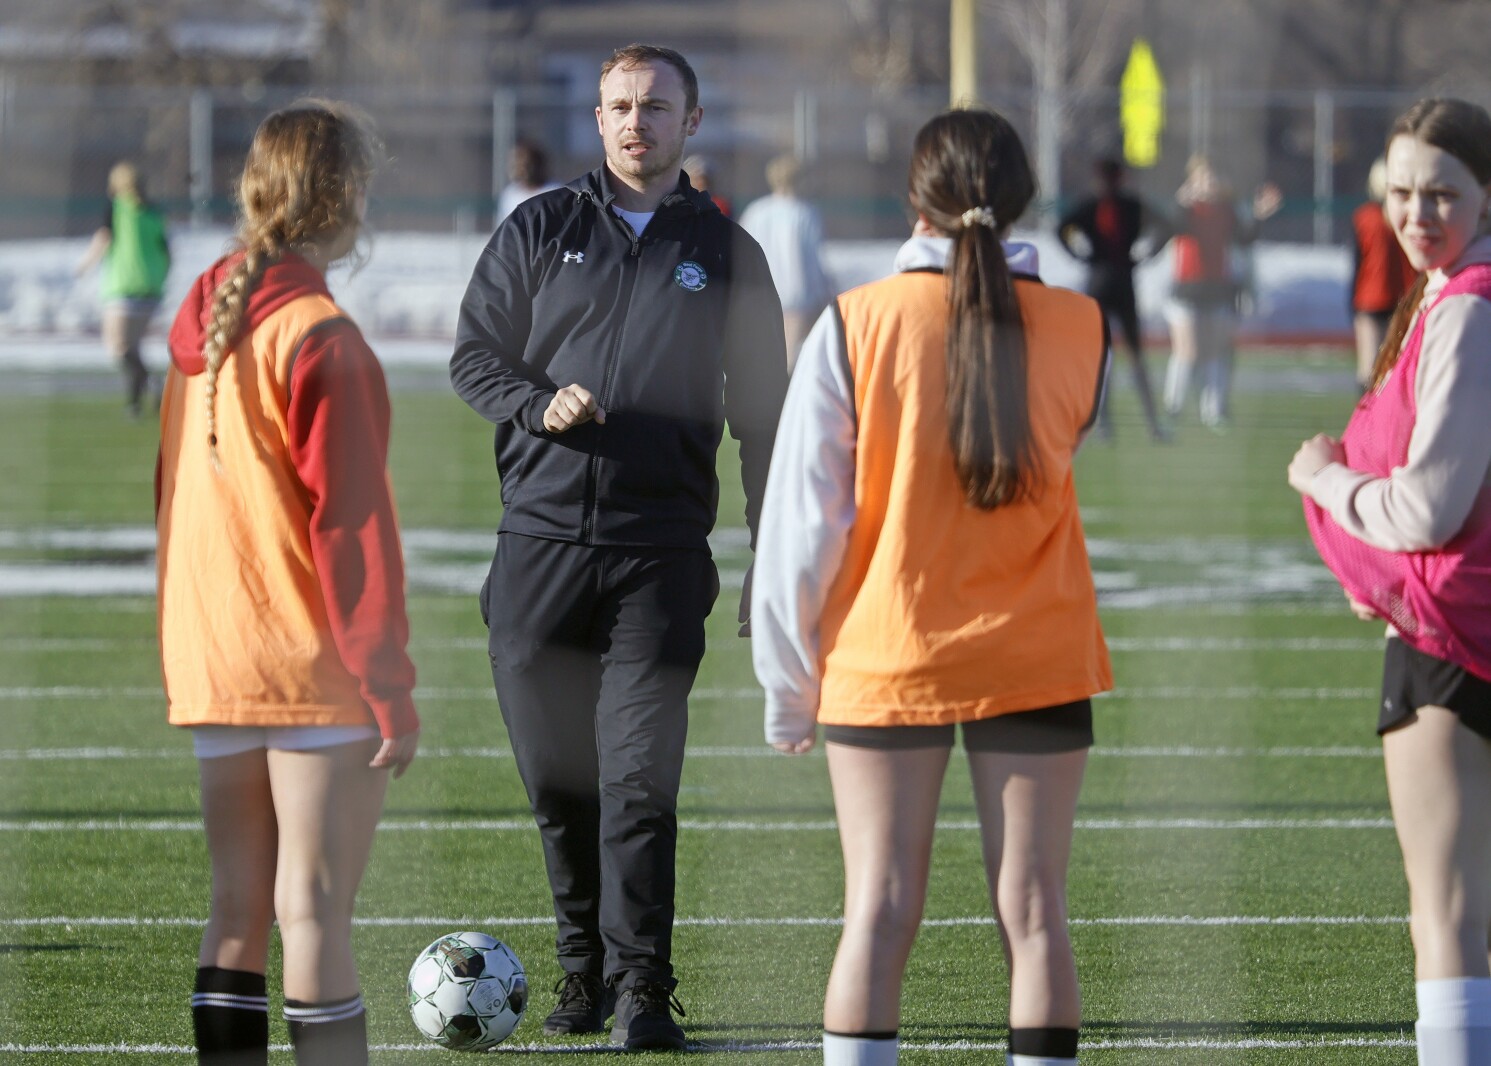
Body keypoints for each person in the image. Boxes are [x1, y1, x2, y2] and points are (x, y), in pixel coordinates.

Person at [753, 109, 1112, 1066]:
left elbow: (801, 527)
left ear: (915, 199)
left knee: (875, 907)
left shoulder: (855, 320)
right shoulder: (1083, 323)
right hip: (1036, 649)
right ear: (1027, 195)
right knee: (1035, 912)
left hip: (887, 651)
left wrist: (786, 686)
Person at [450, 43, 787, 1050]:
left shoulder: (729, 254)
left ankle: (644, 987)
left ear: (692, 122)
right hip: (538, 552)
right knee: (561, 786)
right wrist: (534, 402)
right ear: (597, 121)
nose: (636, 121)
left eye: (656, 105)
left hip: (659, 556)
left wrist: (770, 548)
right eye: (619, 105)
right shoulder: (540, 227)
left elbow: (765, 417)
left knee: (638, 779)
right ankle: (580, 973)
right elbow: (473, 357)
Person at [155, 100, 420, 1066]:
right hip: (312, 667)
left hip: (215, 651)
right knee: (310, 909)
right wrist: (389, 686)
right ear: (346, 199)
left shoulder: (203, 319)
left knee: (236, 908)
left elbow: (168, 500)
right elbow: (351, 533)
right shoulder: (321, 335)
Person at [1290, 97, 1491, 1066]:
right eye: (1404, 192)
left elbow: (1429, 510)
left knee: (1446, 918)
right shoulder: (1452, 292)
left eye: (1443, 193)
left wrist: (1322, 475)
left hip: (1452, 643)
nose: (1418, 213)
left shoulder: (1467, 307)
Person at [1057, 155, 1173, 442]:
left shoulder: (1112, 205)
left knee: (1107, 355)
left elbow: (1061, 229)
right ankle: (1142, 422)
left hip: (1105, 280)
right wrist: (1145, 254)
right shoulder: (1110, 205)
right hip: (1115, 280)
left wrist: (1081, 254)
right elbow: (1166, 226)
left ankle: (1112, 422)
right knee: (1122, 354)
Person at [1161, 155, 1281, 430]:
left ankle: (1213, 411)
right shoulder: (1187, 209)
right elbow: (1172, 226)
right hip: (1186, 290)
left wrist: (1258, 215)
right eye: (1202, 177)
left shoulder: (1227, 210)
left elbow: (1244, 238)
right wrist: (1182, 201)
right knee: (1187, 350)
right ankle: (1173, 407)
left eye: (1212, 177)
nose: (1209, 183)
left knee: (1217, 351)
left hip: (1217, 289)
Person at [75, 160, 171, 417]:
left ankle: (153, 383)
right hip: (151, 289)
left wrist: (85, 265)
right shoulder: (153, 211)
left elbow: (104, 239)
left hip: (123, 287)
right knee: (134, 348)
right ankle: (135, 404)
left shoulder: (117, 209)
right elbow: (166, 249)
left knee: (118, 347)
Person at [739, 154, 835, 370]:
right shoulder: (805, 212)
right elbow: (814, 259)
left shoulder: (756, 210)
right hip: (796, 296)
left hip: (759, 293)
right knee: (790, 357)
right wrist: (824, 292)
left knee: (762, 354)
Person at [1350, 156, 1416, 391]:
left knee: (1368, 369)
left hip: (1371, 298)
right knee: (1398, 367)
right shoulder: (1411, 217)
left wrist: (1352, 306)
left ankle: (1366, 422)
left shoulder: (1365, 218)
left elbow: (1357, 264)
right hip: (1405, 297)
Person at [495, 138, 562, 223]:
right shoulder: (510, 194)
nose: (521, 169)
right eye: (517, 164)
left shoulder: (555, 192)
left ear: (538, 164)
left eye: (526, 164)